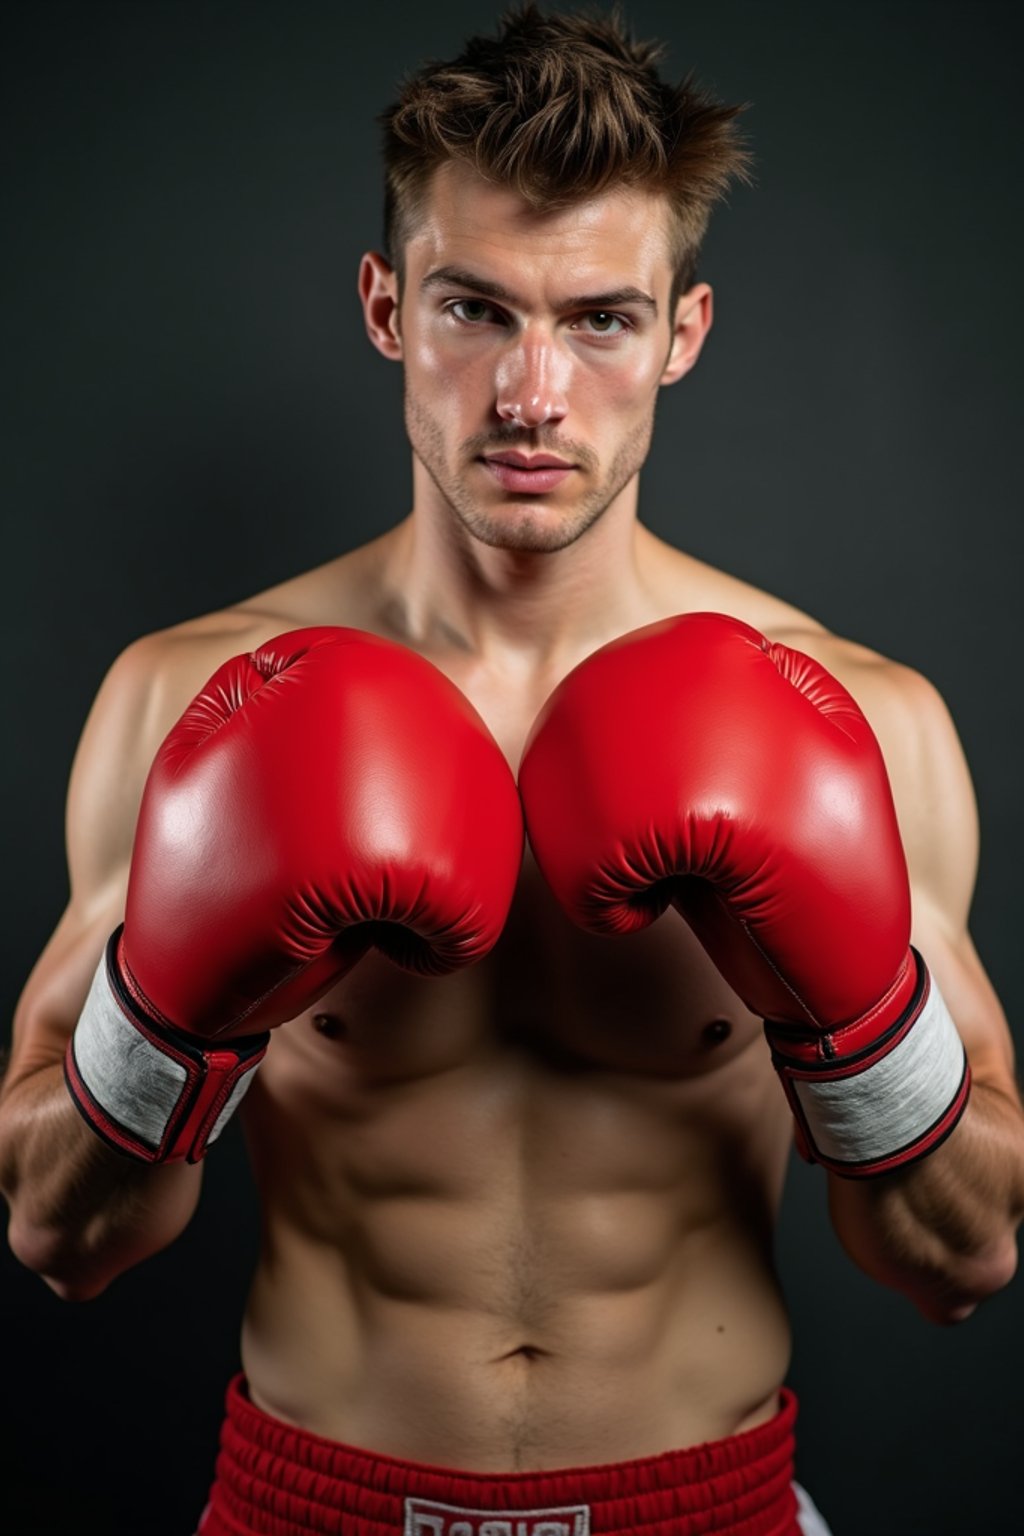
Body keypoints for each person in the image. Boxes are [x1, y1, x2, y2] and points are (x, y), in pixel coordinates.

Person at [2, 5, 1022, 1534]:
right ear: (385, 308)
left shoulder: (863, 721)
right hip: (310, 1503)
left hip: (709, 1506)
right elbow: (62, 1237)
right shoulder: (186, 701)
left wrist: (862, 1022)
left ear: (680, 333)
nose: (532, 392)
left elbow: (959, 1262)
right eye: (475, 309)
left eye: (599, 319)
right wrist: (171, 1007)